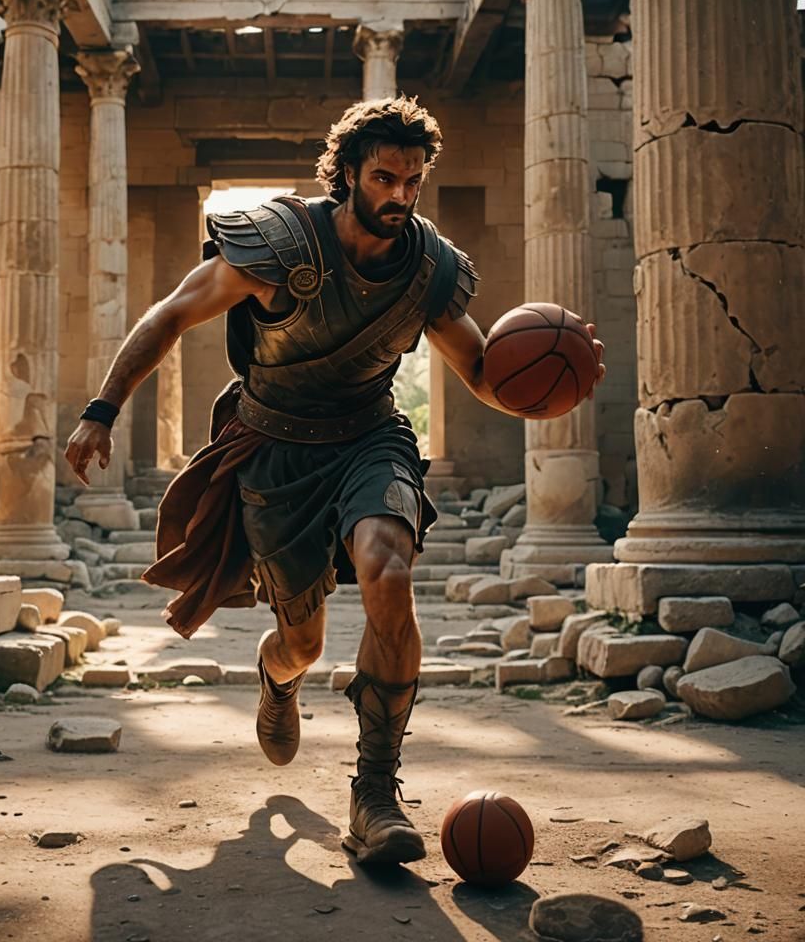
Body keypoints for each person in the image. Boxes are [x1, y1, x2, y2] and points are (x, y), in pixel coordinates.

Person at [65, 96, 605, 866]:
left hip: (369, 437)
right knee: (303, 643)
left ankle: (375, 792)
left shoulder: (426, 268)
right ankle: (275, 678)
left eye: (413, 182)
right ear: (347, 173)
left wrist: (551, 383)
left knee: (388, 569)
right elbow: (171, 314)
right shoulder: (281, 243)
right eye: (385, 178)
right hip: (276, 448)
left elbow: (484, 371)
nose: (400, 196)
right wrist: (100, 409)